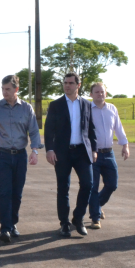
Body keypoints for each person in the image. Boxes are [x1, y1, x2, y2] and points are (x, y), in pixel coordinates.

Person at [0, 75, 43, 244]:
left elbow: (34, 132)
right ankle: (5, 228)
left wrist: (34, 151)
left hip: (20, 156)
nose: (4, 92)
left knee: (17, 194)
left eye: (8, 89)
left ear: (16, 89)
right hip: (1, 156)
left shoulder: (27, 108)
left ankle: (12, 223)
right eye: (2, 89)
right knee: (4, 193)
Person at [45, 72, 97, 238]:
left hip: (82, 151)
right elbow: (48, 130)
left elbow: (91, 129)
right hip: (62, 152)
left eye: (70, 83)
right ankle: (64, 223)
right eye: (65, 83)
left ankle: (78, 218)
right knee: (63, 188)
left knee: (88, 184)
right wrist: (50, 149)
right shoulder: (56, 105)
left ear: (78, 85)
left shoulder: (86, 105)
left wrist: (94, 149)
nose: (67, 85)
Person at [87, 82, 130, 228]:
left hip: (108, 153)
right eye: (97, 92)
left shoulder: (112, 109)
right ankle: (95, 218)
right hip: (93, 154)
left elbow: (118, 127)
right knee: (93, 186)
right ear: (91, 94)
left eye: (102, 92)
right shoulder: (87, 109)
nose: (100, 94)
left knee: (112, 184)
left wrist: (125, 145)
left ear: (106, 93)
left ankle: (97, 204)